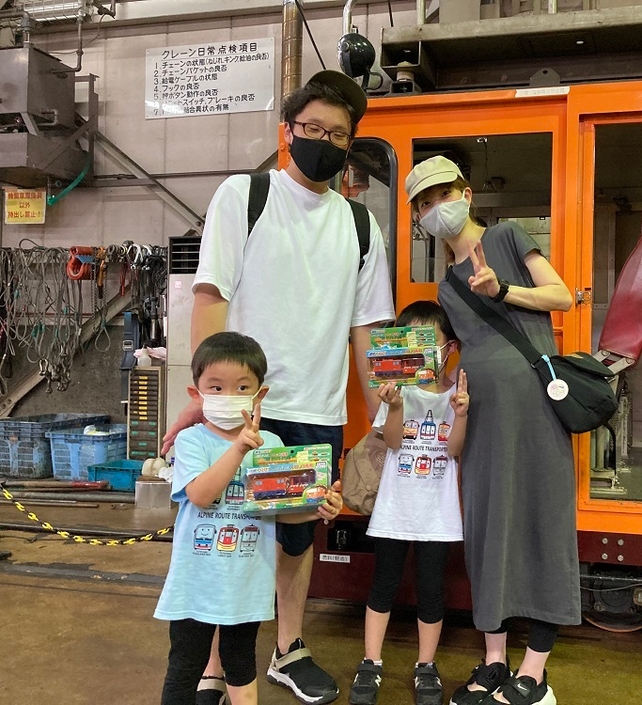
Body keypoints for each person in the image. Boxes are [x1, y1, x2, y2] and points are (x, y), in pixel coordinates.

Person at [162, 70, 395, 705]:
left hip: (317, 409)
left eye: (339, 134)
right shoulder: (245, 195)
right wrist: (206, 400)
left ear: (350, 144)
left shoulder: (361, 226)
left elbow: (368, 331)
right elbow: (211, 295)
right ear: (287, 131)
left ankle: (288, 649)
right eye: (313, 128)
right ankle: (215, 663)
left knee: (297, 537)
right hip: (244, 409)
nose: (325, 141)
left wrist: (383, 421)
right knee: (226, 531)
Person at [404, 156, 578, 705]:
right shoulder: (445, 288)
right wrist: (407, 387)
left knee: (543, 523)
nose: (436, 208)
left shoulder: (507, 236)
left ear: (467, 193)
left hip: (536, 409)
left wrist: (502, 290)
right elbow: (453, 356)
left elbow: (561, 296)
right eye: (424, 204)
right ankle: (496, 659)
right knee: (486, 530)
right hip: (480, 416)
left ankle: (535, 669)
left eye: (442, 195)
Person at [155, 332, 343, 705]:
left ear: (259, 396)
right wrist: (239, 447)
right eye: (216, 387)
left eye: (242, 387)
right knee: (185, 666)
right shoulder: (192, 441)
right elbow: (201, 495)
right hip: (195, 584)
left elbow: (278, 513)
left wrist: (317, 508)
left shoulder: (271, 446)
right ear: (197, 394)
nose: (229, 396)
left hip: (248, 583)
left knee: (241, 661)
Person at [349, 301, 468, 705]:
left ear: (449, 347)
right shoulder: (397, 391)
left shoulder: (457, 393)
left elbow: (454, 450)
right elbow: (394, 442)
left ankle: (426, 665)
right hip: (394, 509)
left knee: (431, 590)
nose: (419, 351)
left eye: (428, 342)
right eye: (410, 342)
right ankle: (371, 662)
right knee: (382, 585)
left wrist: (461, 414)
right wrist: (396, 406)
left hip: (438, 515)